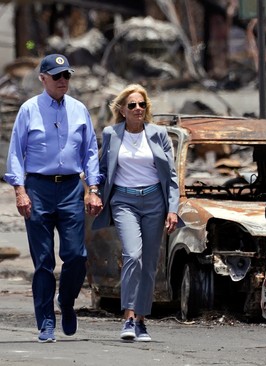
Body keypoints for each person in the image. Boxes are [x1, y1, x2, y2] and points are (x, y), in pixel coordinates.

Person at [3, 54, 103, 343]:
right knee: (43, 261)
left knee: (76, 256)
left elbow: (90, 152)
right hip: (38, 189)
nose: (62, 81)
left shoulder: (79, 109)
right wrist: (19, 191)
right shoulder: (28, 109)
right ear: (42, 78)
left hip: (71, 188)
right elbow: (15, 154)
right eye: (57, 76)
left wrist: (93, 188)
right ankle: (45, 321)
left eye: (66, 76)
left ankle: (67, 301)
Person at [91, 84, 179, 342]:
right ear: (122, 110)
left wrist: (172, 209)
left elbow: (171, 176)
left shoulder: (158, 134)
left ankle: (141, 320)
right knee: (133, 255)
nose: (138, 109)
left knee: (150, 263)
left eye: (142, 104)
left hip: (154, 202)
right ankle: (128, 317)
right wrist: (92, 190)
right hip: (124, 201)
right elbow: (101, 167)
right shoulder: (111, 133)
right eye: (132, 105)